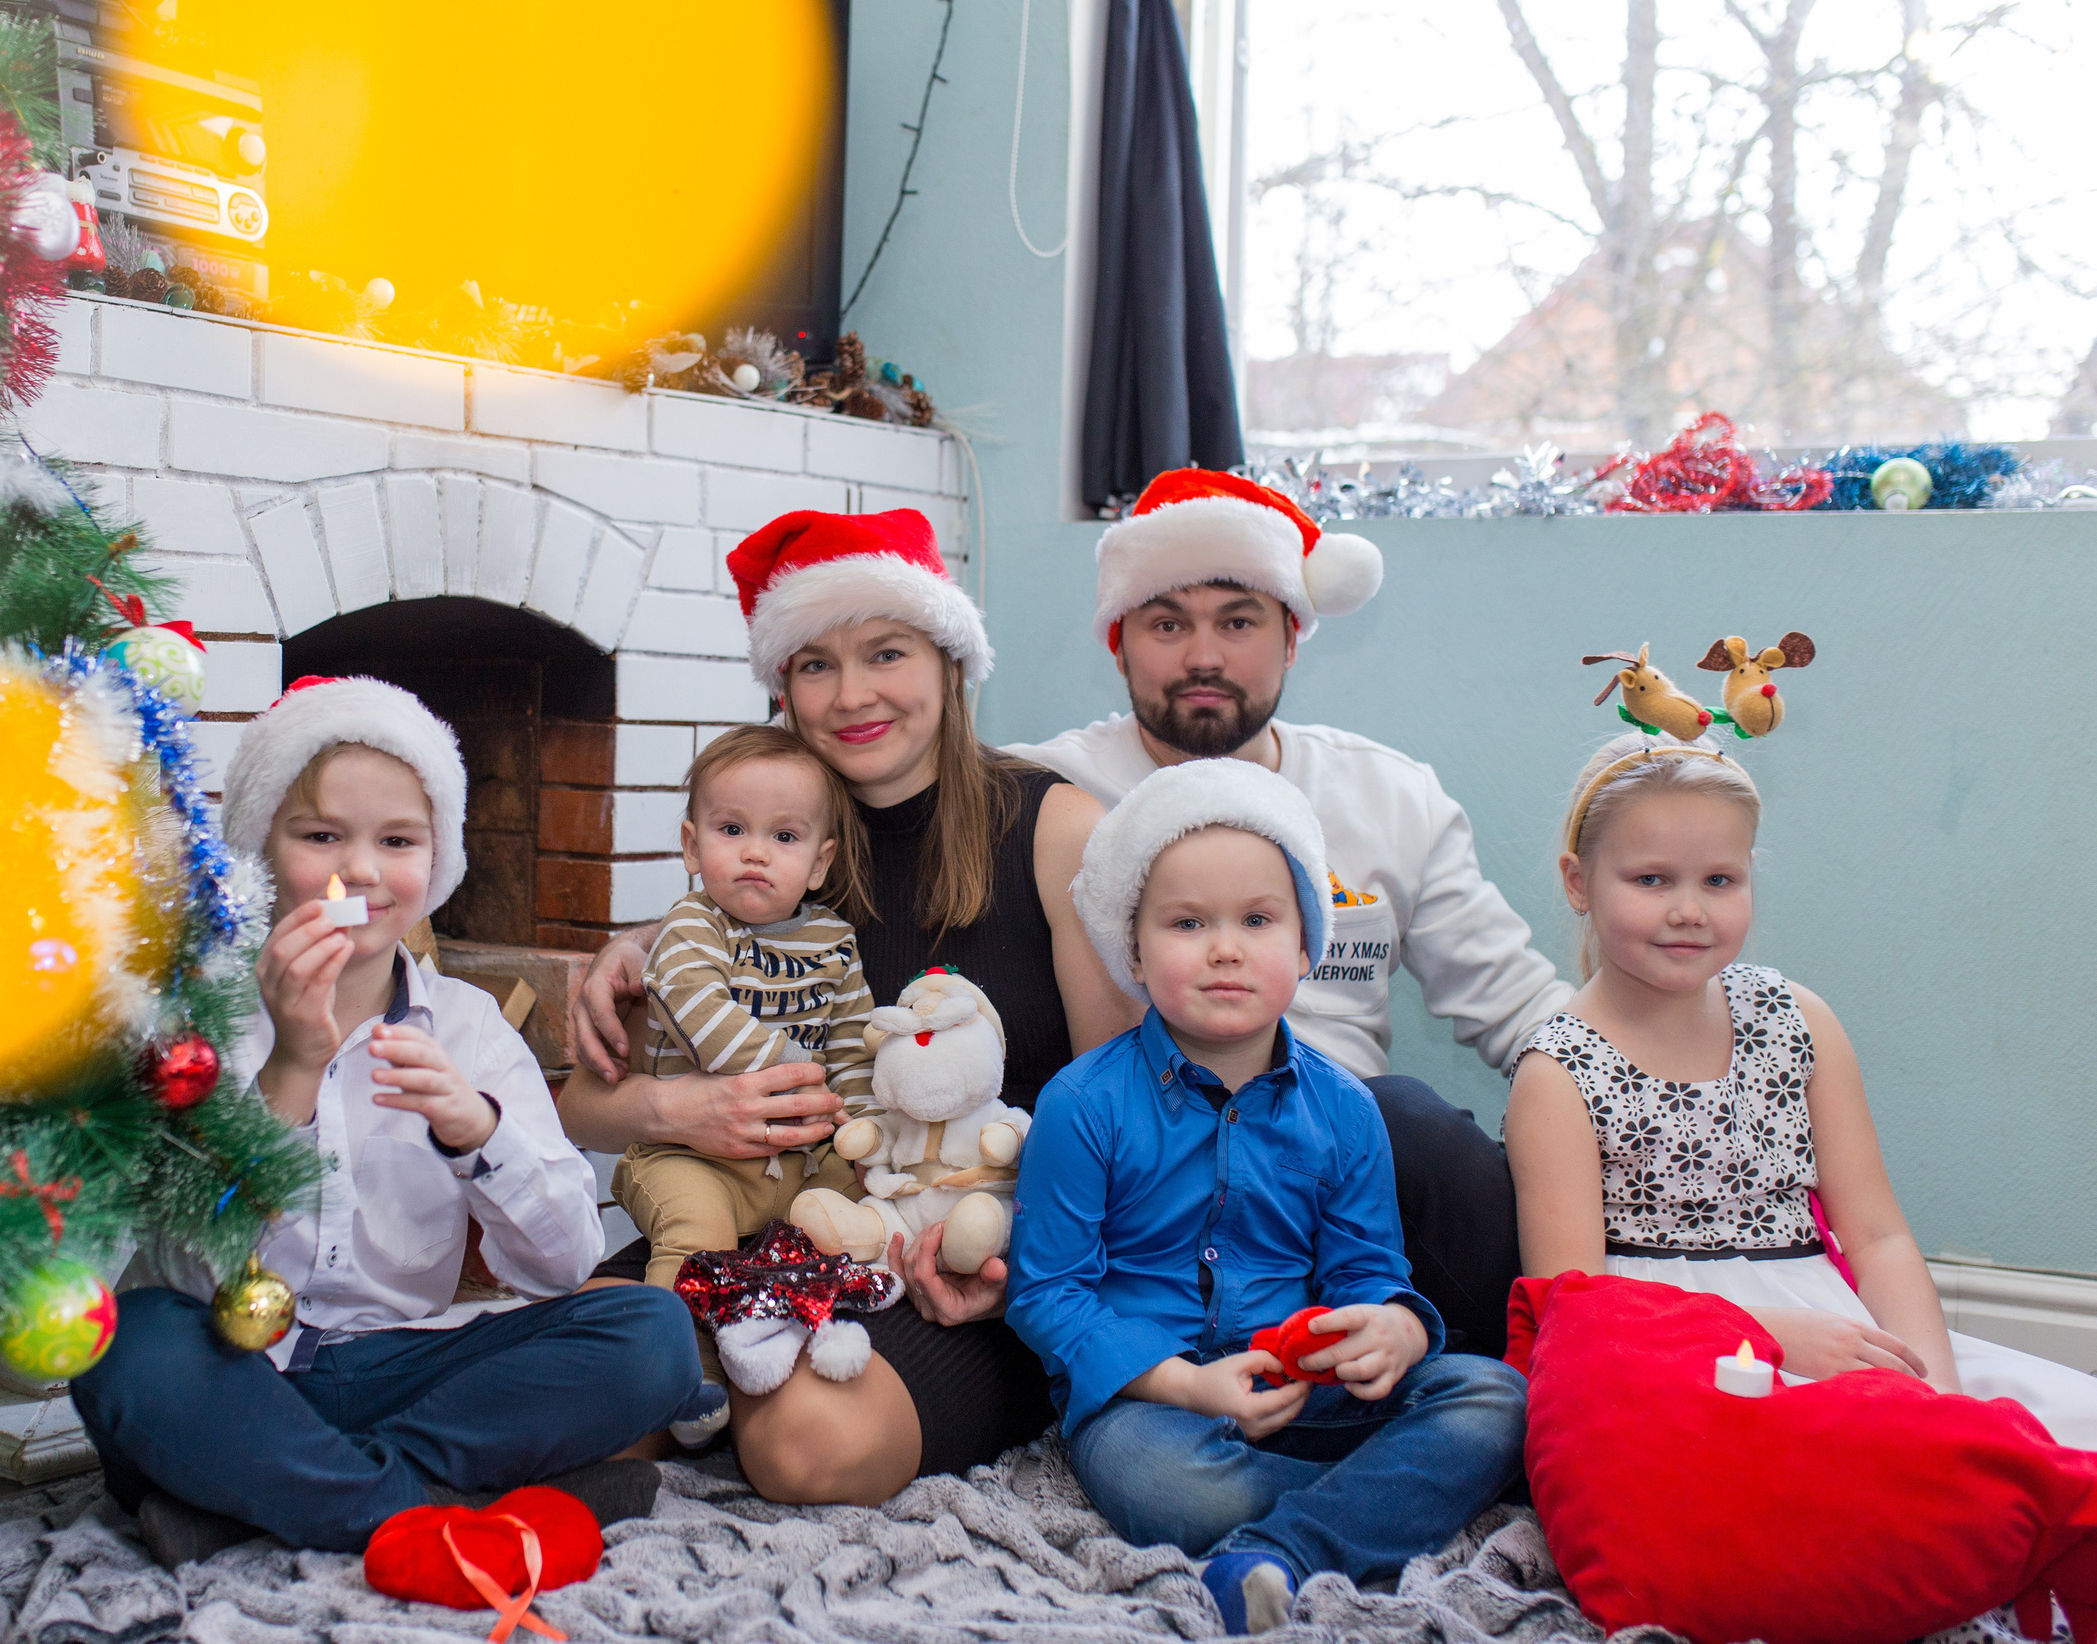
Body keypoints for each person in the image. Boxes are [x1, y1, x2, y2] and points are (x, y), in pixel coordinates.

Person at [562, 507, 1134, 1504]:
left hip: (966, 1262)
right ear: (783, 689)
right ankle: (710, 1364)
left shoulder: (1057, 828)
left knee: (803, 1448)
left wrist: (1011, 1275)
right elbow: (576, 1105)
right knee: (560, 1387)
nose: (852, 694)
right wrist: (671, 1109)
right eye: (815, 665)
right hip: (775, 1216)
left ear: (949, 664)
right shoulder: (774, 848)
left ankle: (723, 1380)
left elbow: (1129, 1116)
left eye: (885, 652)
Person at [71, 676, 697, 1566]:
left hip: (408, 1370)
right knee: (124, 1344)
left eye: (396, 840)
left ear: (435, 862)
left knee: (651, 1337)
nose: (360, 869)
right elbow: (186, 1263)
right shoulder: (197, 1022)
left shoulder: (472, 1027)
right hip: (234, 1371)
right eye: (322, 835)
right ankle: (451, 1509)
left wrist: (477, 1131)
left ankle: (272, 1503)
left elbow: (560, 1265)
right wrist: (291, 1064)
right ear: (261, 848)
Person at [1006, 468, 1572, 1354]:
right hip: (1137, 1175)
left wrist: (1669, 1093)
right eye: (1166, 623)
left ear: (1293, 638)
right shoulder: (1039, 790)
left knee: (1421, 1129)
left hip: (1341, 1171)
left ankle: (1521, 1380)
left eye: (1238, 621)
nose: (1203, 656)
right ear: (1118, 643)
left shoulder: (1390, 794)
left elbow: (1524, 1008)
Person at [1011, 758, 1526, 1636]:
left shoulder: (1346, 1108)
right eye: (1186, 922)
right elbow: (1047, 1292)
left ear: (1305, 945)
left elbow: (1367, 1266)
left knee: (1495, 1396)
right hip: (1157, 1403)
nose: (1224, 947)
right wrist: (1187, 1385)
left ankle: (1280, 1550)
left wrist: (1393, 1324)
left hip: (1306, 1387)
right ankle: (1379, 1507)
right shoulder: (1082, 1102)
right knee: (1166, 1488)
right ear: (1132, 950)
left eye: (1257, 919)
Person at [1505, 734, 2097, 1448]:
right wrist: (1766, 1334)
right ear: (1578, 881)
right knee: (1819, 1470)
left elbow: (1878, 1237)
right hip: (1670, 1356)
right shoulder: (1559, 1068)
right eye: (1652, 879)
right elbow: (1577, 1312)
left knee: (2057, 1427)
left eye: (1718, 880)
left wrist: (1940, 1398)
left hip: (1838, 1327)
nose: (1690, 909)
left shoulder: (1795, 1020)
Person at [617, 722, 878, 1446]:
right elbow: (704, 1016)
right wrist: (803, 1083)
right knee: (695, 1229)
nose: (757, 851)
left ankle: (813, 1331)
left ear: (821, 861)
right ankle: (684, 1370)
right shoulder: (691, 928)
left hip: (794, 1155)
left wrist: (858, 1126)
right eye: (733, 829)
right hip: (688, 1156)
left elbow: (853, 1041)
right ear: (692, 846)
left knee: (858, 1203)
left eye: (785, 837)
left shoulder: (834, 942)